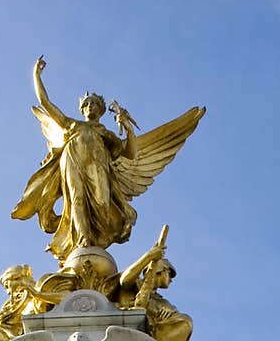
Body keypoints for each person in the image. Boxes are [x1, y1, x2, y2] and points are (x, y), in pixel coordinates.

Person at [11, 57, 204, 264]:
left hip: (98, 167)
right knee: (76, 199)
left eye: (94, 103)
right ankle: (83, 239)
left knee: (102, 203)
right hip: (73, 163)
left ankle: (97, 237)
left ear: (101, 110)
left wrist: (128, 128)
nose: (90, 106)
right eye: (86, 104)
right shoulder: (72, 126)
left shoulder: (105, 134)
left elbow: (130, 153)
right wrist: (36, 76)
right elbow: (45, 103)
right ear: (82, 109)